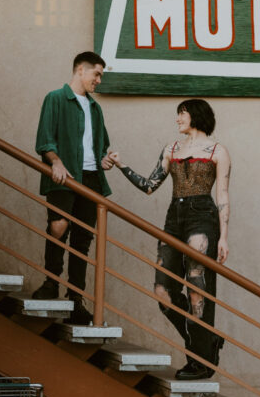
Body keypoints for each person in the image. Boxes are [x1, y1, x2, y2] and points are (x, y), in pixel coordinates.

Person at [105, 99, 230, 380]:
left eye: (181, 114)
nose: (177, 120)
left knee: (198, 290)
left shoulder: (218, 151)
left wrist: (223, 236)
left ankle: (199, 361)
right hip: (174, 217)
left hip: (203, 216)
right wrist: (121, 165)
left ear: (195, 115)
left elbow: (222, 195)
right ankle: (205, 342)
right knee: (163, 291)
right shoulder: (171, 149)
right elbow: (149, 187)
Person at [32, 51, 112, 325]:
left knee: (82, 240)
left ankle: (75, 300)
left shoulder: (95, 108)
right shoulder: (56, 98)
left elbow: (100, 146)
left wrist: (105, 159)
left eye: (101, 75)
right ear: (80, 70)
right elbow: (44, 139)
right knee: (58, 226)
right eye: (96, 74)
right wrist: (54, 161)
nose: (99, 80)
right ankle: (50, 282)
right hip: (64, 176)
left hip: (91, 178)